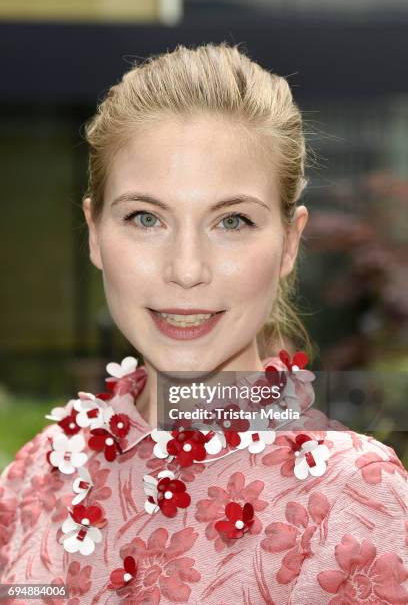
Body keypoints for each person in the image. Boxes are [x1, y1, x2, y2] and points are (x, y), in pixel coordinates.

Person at [1, 42, 407, 605]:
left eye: (232, 221)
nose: (186, 270)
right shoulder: (36, 476)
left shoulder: (355, 497)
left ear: (290, 242)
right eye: (146, 218)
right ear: (94, 232)